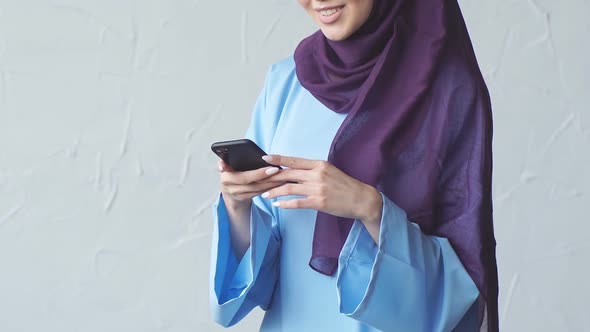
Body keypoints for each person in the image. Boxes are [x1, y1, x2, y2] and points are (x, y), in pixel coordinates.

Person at [209, 0, 498, 331]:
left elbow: (463, 285)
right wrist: (237, 205)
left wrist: (369, 208)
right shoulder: (285, 83)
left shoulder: (449, 90)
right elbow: (262, 276)